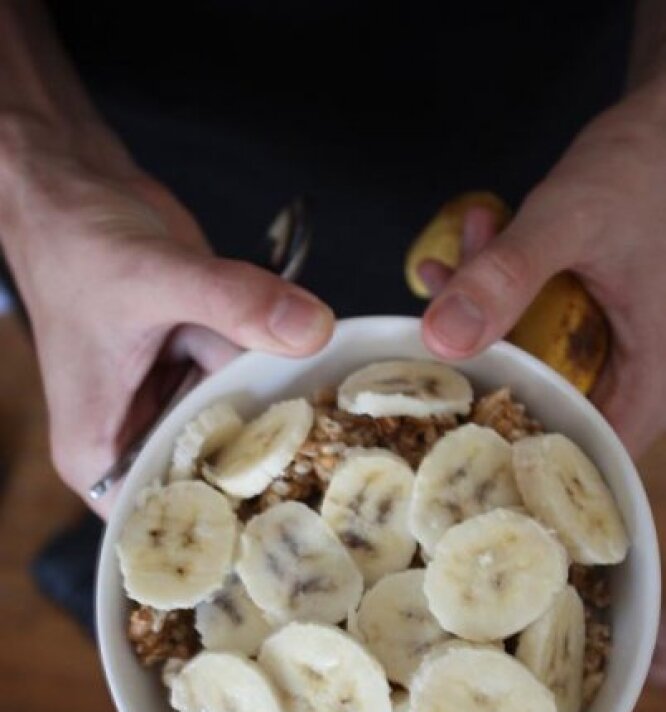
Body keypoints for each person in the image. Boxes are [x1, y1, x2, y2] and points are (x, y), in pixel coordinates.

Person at [0, 2, 663, 669]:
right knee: (179, 468)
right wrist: (33, 163)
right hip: (143, 142)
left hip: (529, 106)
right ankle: (122, 565)